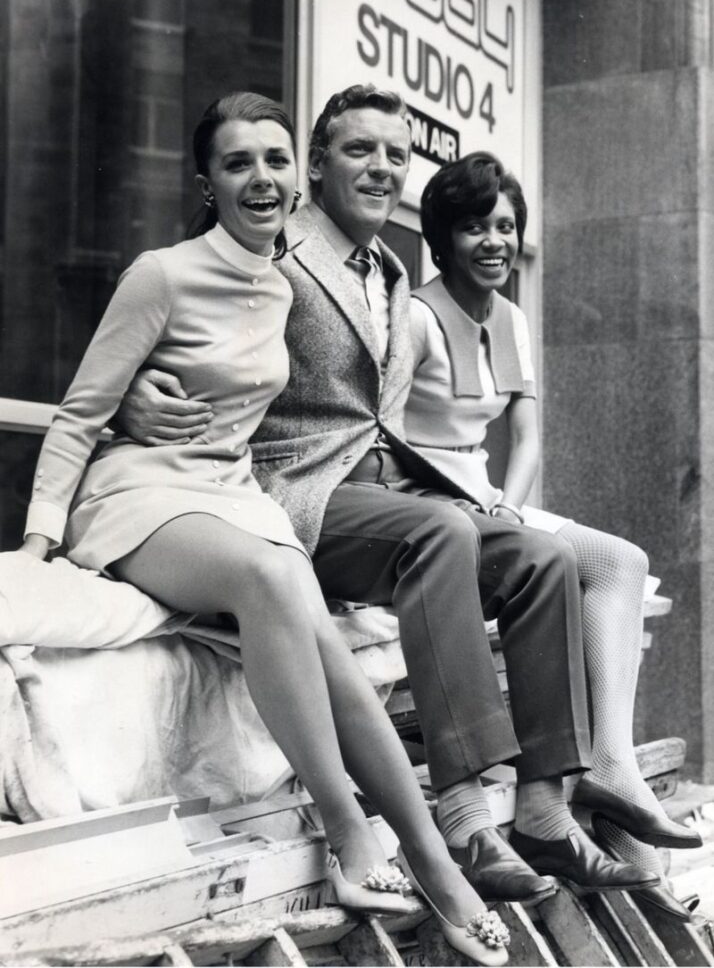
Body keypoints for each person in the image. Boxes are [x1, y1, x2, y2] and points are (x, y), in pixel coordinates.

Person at [116, 84, 658, 902]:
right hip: (292, 490)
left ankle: (545, 809)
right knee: (440, 535)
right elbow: (180, 313)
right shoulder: (273, 245)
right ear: (318, 166)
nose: (380, 167)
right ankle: (468, 815)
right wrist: (136, 393)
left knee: (543, 557)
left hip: (381, 488)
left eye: (396, 155)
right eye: (358, 149)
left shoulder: (393, 269)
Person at [18, 91, 512, 966]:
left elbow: (324, 393)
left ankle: (436, 864)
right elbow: (78, 415)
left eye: (277, 161)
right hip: (141, 495)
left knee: (320, 637)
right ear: (208, 180)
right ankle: (347, 830)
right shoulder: (161, 273)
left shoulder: (292, 277)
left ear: (300, 177)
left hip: (235, 494)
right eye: (238, 162)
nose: (262, 179)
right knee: (276, 578)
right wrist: (38, 540)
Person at [407, 149, 701, 897]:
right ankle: (593, 789)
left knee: (620, 562)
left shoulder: (510, 319)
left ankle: (609, 765)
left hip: (487, 498)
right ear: (442, 238)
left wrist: (507, 499)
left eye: (506, 226)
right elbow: (382, 433)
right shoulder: (413, 316)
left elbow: (528, 437)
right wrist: (473, 506)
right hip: (423, 502)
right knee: (556, 565)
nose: (495, 242)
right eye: (474, 227)